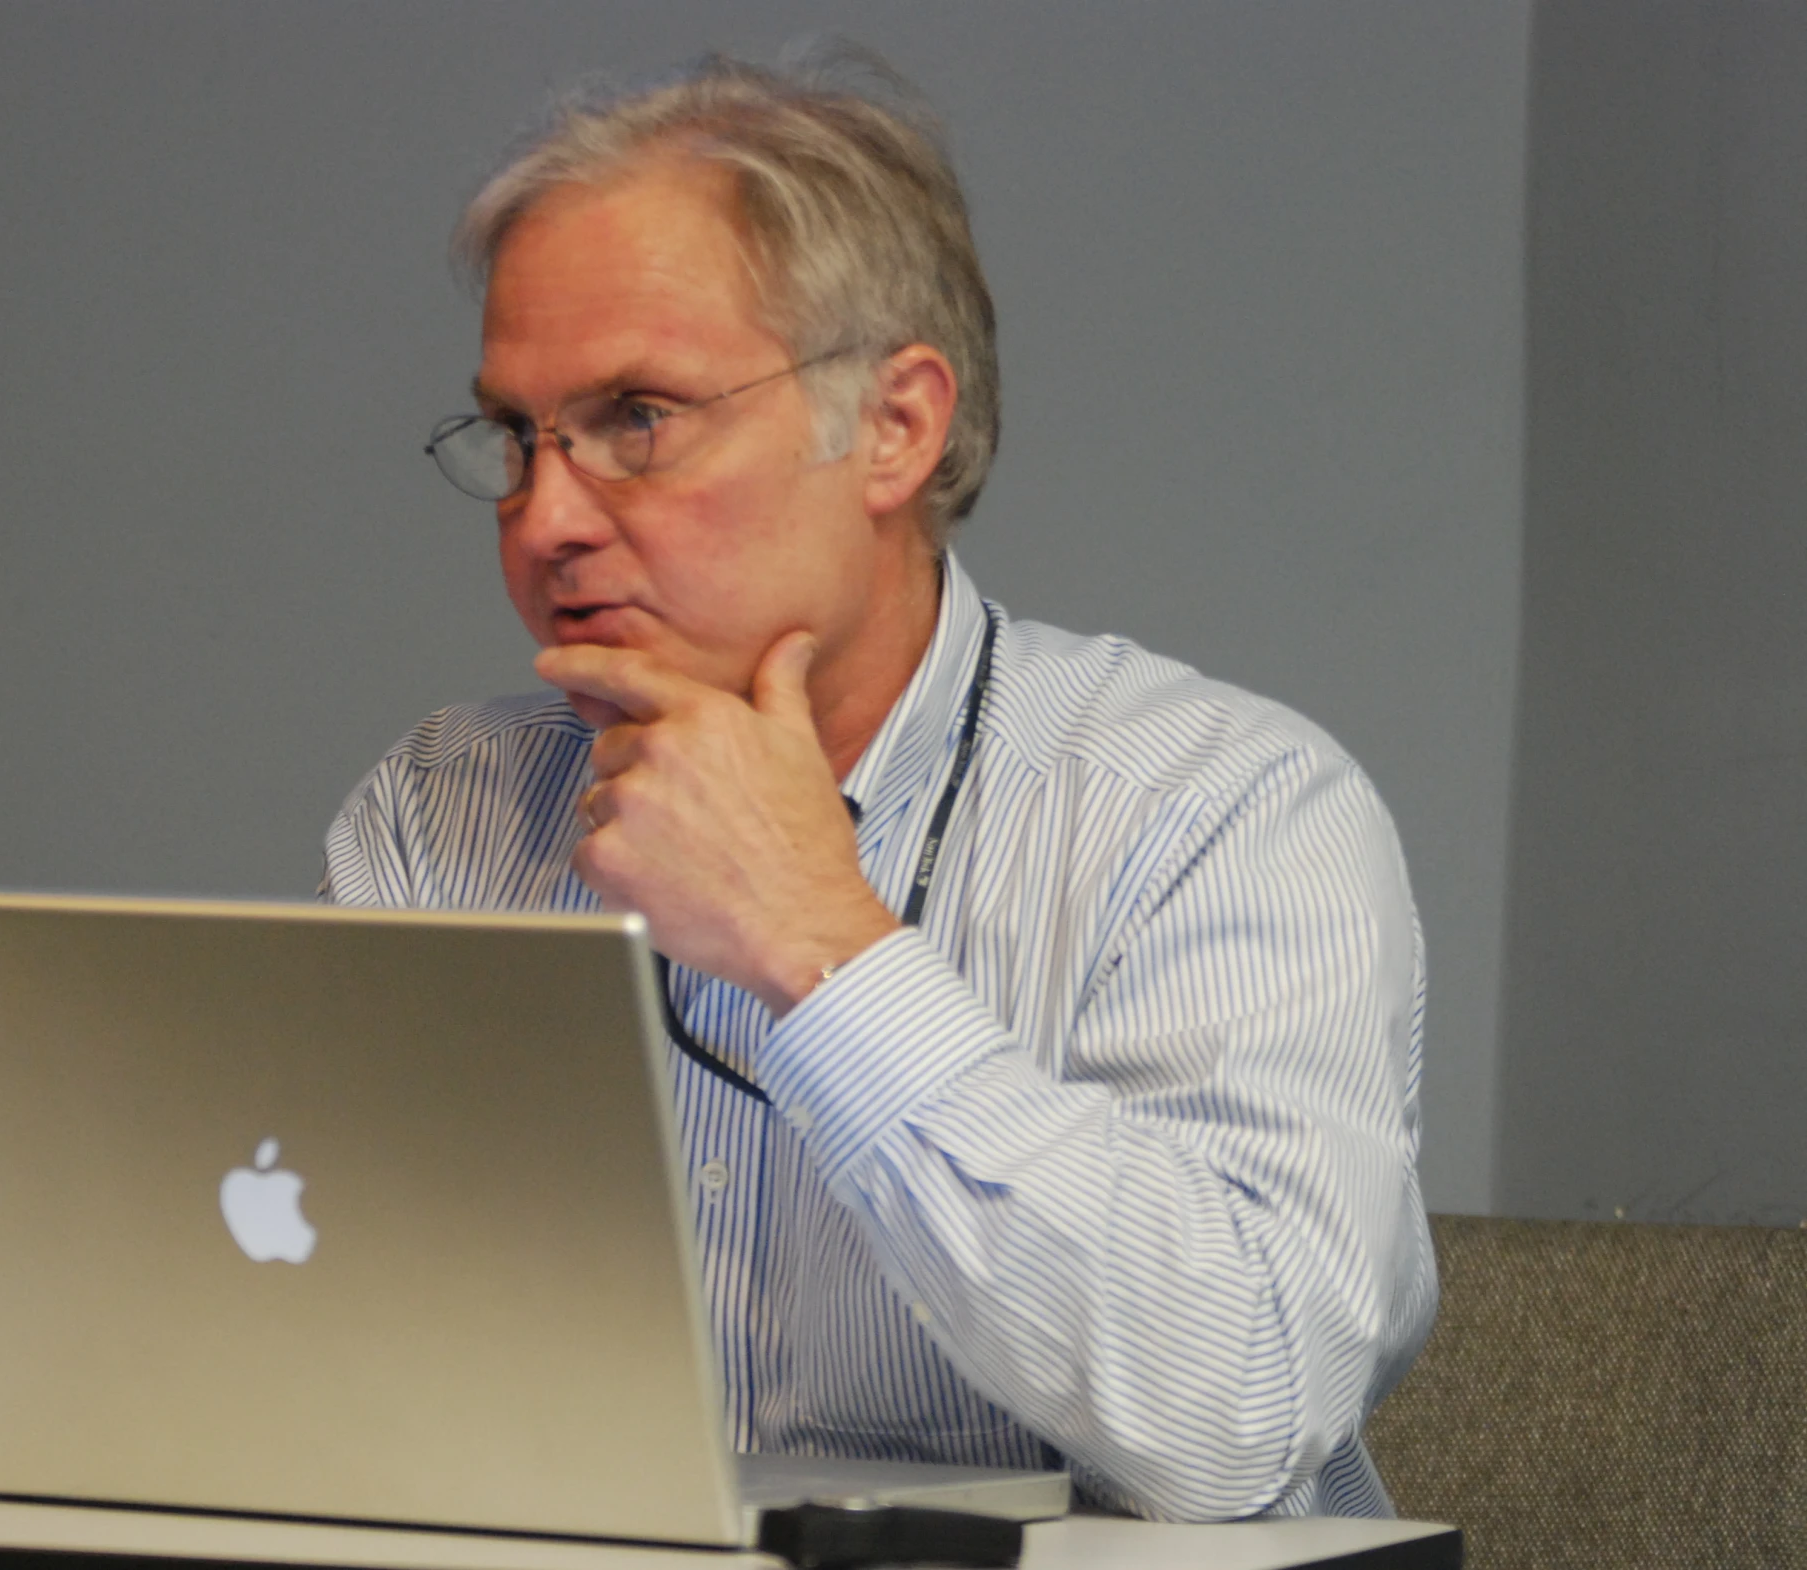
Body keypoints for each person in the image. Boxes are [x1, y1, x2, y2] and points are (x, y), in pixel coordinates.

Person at [322, 48, 1435, 1523]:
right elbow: (359, 1367)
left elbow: (1231, 1411)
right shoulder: (442, 816)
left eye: (637, 418)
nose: (547, 517)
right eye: (519, 436)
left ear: (897, 426)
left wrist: (819, 945)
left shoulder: (1224, 808)